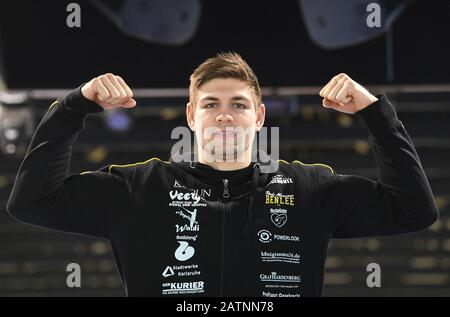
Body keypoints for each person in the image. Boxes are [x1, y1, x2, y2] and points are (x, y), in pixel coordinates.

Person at [7, 52, 439, 297]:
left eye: (239, 104)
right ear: (192, 116)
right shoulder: (139, 189)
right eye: (211, 104)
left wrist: (376, 114)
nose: (226, 116)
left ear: (259, 117)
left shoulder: (310, 189)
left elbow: (413, 211)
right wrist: (73, 107)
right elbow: (32, 201)